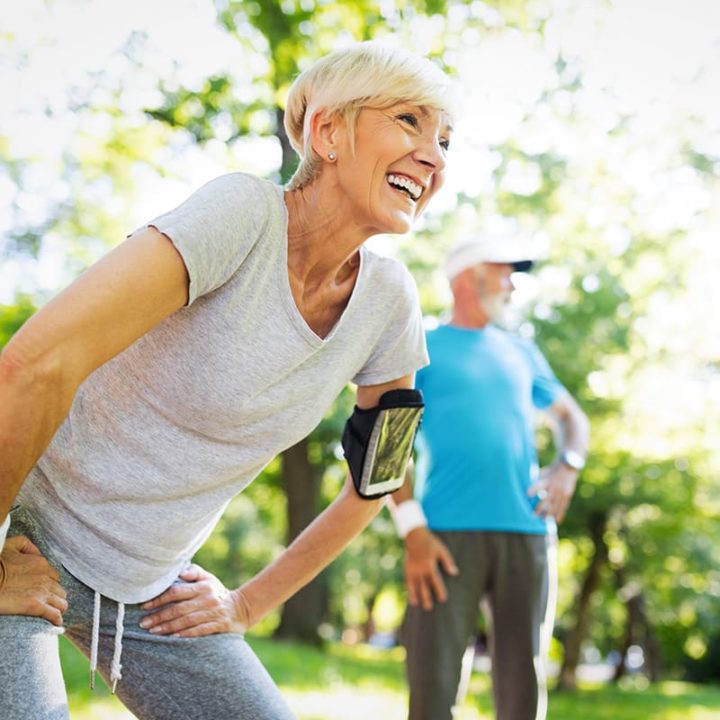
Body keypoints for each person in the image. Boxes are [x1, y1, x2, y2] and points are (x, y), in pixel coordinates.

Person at [0, 41, 457, 720]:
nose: (435, 156)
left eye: (446, 140)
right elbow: (35, 364)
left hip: (148, 584)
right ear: (329, 131)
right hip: (22, 534)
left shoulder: (390, 305)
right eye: (410, 123)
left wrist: (247, 603)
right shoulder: (242, 215)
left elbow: (380, 479)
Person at [390, 235, 590, 720]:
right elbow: (388, 442)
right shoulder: (420, 346)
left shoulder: (521, 351)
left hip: (527, 531)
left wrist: (567, 466)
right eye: (504, 273)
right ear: (468, 276)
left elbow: (572, 419)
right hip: (443, 539)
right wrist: (412, 530)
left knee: (523, 685)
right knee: (432, 685)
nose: (513, 287)